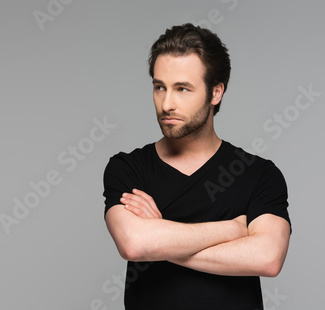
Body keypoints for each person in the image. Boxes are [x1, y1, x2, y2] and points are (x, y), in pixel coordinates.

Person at [102, 23, 292, 309]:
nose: (167, 103)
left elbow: (267, 258)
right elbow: (135, 245)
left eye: (182, 89)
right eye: (159, 87)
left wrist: (161, 236)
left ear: (215, 93)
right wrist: (232, 230)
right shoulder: (128, 168)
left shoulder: (259, 174)